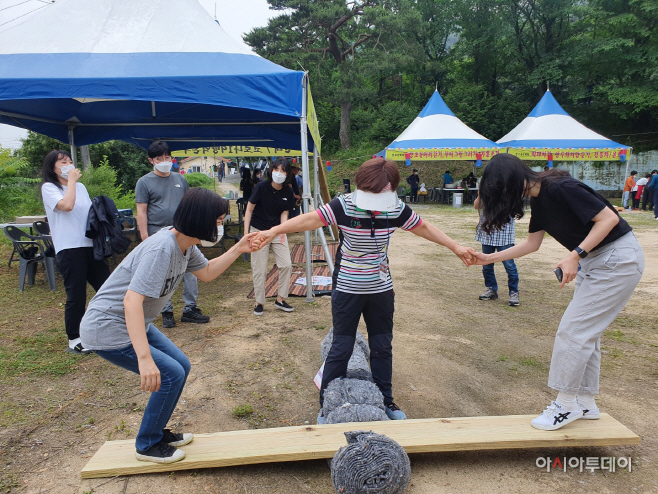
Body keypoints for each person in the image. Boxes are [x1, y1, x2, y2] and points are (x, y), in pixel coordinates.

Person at [252, 157, 476, 423]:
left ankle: (386, 401)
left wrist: (456, 247)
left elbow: (423, 227)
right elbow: (310, 220)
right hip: (347, 287)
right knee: (341, 347)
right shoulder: (344, 205)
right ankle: (327, 405)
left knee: (382, 347)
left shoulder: (395, 207)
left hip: (381, 287)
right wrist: (273, 231)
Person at [80, 188, 257, 464]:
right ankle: (147, 445)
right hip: (108, 327)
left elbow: (207, 273)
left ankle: (156, 432)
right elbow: (131, 302)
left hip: (134, 322)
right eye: (219, 219)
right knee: (171, 373)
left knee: (181, 366)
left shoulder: (185, 245)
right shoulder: (163, 248)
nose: (221, 225)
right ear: (201, 219)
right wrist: (144, 358)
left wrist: (239, 247)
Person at [474, 153, 644, 431]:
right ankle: (585, 403)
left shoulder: (562, 188)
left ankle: (565, 406)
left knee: (573, 332)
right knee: (586, 333)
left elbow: (608, 219)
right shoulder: (540, 199)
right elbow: (531, 244)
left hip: (617, 260)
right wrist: (488, 258)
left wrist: (575, 255)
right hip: (599, 261)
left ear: (512, 180)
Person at [41, 150, 111, 354]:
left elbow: (89, 214)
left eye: (70, 161)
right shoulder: (49, 188)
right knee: (76, 294)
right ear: (52, 168)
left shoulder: (81, 187)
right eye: (63, 162)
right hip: (69, 247)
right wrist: (70, 181)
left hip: (90, 245)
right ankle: (74, 337)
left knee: (107, 287)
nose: (68, 165)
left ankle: (106, 328)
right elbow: (67, 205)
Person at [135, 140, 210, 328]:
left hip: (183, 232)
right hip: (158, 233)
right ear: (151, 161)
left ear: (172, 158)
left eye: (167, 157)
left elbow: (188, 205)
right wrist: (145, 237)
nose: (164, 161)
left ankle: (190, 308)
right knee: (162, 274)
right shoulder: (144, 182)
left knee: (191, 271)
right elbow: (141, 211)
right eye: (159, 158)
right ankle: (166, 310)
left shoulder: (180, 179)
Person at [244, 157, 295, 316]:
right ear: (271, 170)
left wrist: (282, 232)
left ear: (287, 174)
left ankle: (280, 299)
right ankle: (259, 301)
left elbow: (285, 212)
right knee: (259, 268)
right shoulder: (261, 187)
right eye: (276, 169)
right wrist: (246, 234)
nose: (279, 173)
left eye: (283, 171)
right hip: (258, 231)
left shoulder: (288, 191)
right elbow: (249, 210)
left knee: (286, 264)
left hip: (277, 230)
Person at [474, 193, 519, 306]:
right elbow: (476, 205)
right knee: (486, 265)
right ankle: (491, 289)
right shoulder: (487, 187)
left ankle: (514, 292)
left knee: (509, 265)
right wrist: (481, 194)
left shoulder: (509, 190)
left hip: (504, 236)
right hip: (487, 234)